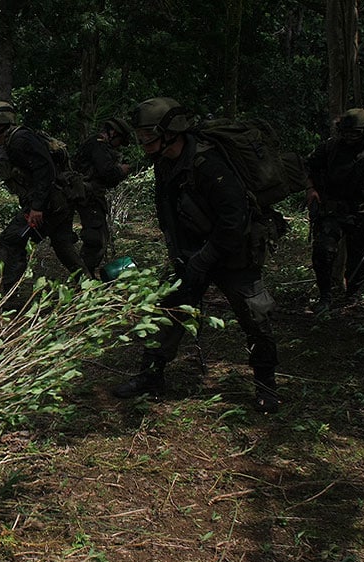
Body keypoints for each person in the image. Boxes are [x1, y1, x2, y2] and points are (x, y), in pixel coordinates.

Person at [109, 97, 281, 413]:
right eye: (140, 134)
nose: (142, 141)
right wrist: (180, 254)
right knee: (168, 310)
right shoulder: (165, 163)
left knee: (256, 317)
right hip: (192, 251)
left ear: (170, 132)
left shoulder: (210, 164)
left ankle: (266, 385)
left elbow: (234, 220)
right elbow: (167, 212)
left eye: (148, 134)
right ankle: (151, 375)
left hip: (234, 252)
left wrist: (204, 258)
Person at [0, 101, 89, 291]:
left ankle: (8, 295)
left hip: (49, 205)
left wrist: (37, 207)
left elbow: (45, 170)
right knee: (62, 245)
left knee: (10, 241)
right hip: (57, 202)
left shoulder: (20, 140)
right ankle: (88, 285)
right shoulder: (15, 140)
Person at [305, 108, 364, 313]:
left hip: (363, 214)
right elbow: (309, 167)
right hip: (332, 211)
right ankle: (325, 297)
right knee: (323, 252)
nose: (349, 137)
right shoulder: (329, 147)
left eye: (354, 133)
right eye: (345, 133)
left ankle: (352, 298)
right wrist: (311, 189)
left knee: (360, 259)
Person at [72, 118, 131, 278]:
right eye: (119, 141)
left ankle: (85, 275)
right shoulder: (98, 145)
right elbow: (106, 173)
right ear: (113, 133)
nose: (118, 145)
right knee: (96, 238)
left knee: (98, 237)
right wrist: (121, 170)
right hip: (88, 197)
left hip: (90, 196)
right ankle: (83, 278)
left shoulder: (97, 144)